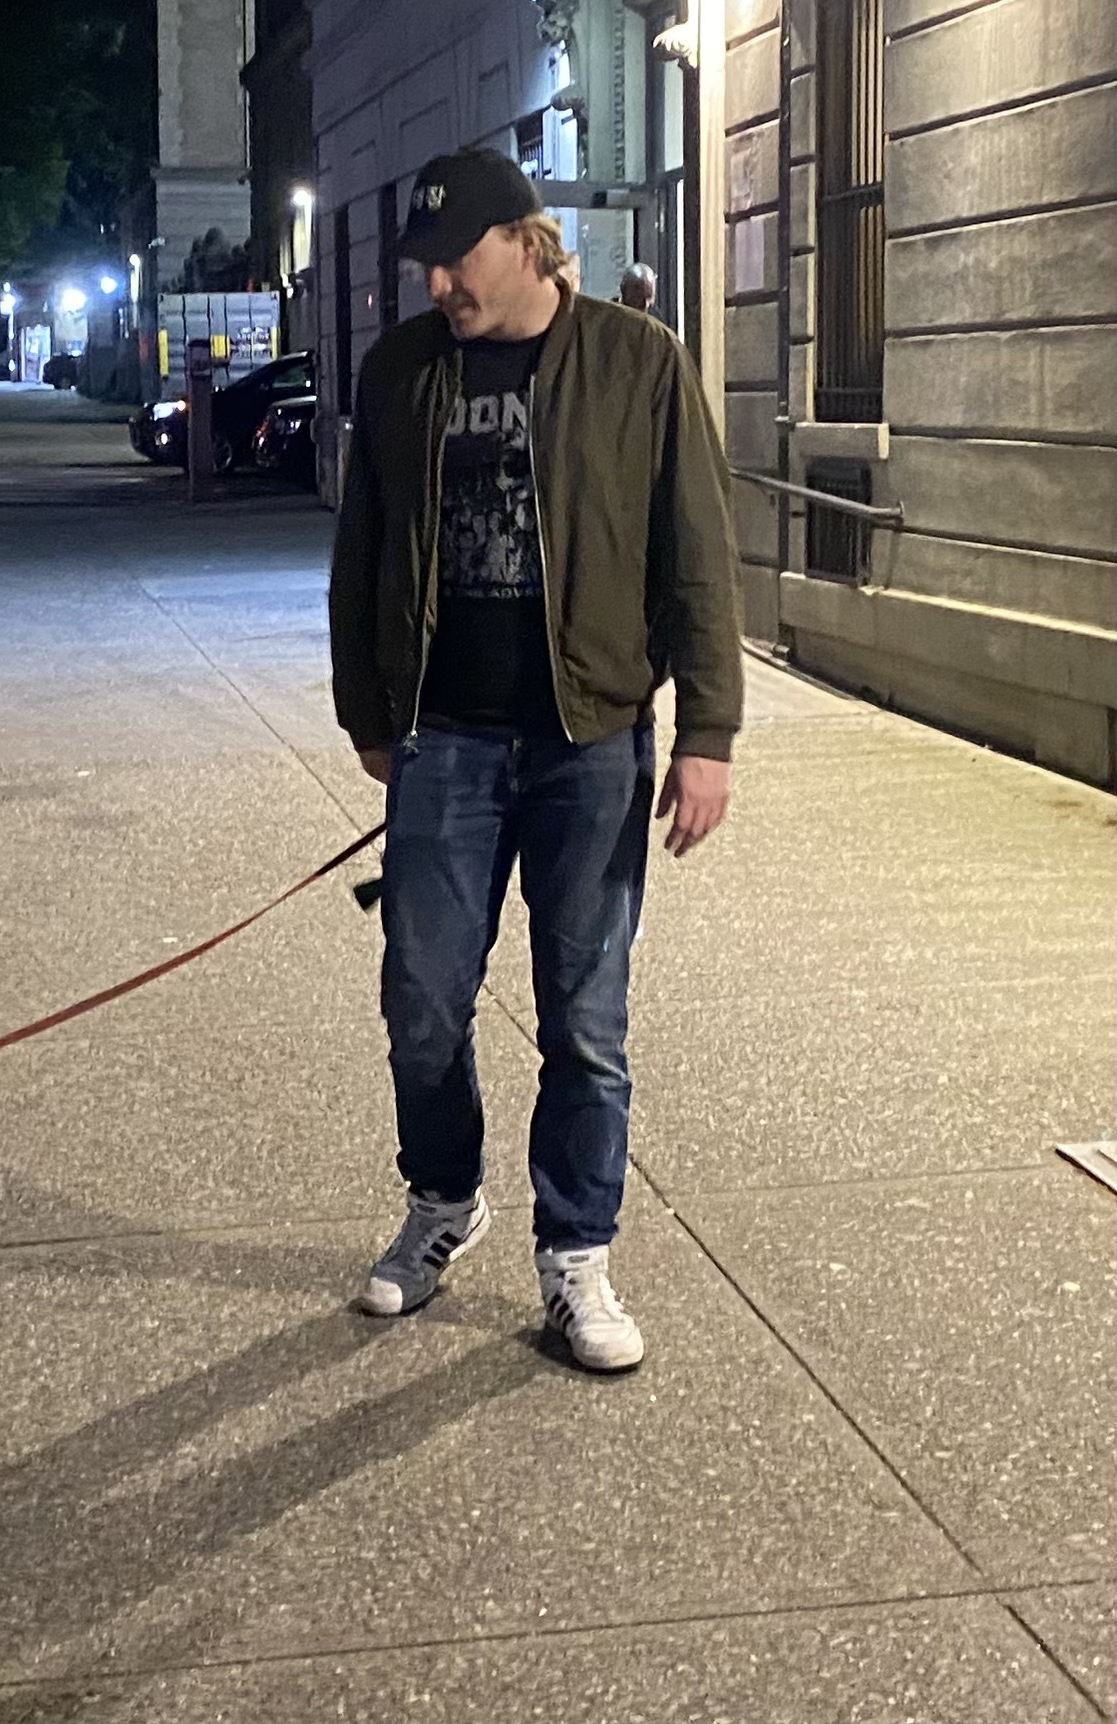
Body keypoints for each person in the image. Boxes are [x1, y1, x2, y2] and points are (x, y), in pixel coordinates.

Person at [329, 148, 742, 1371]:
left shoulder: (635, 362)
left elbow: (697, 554)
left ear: (528, 238)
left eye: (458, 257)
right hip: (443, 738)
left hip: (591, 738)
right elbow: (362, 551)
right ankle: (444, 1197)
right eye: (428, 264)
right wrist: (367, 707)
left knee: (586, 1017)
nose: (440, 281)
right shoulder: (404, 369)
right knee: (420, 998)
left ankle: (576, 1254)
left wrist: (708, 733)